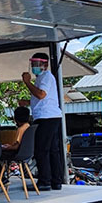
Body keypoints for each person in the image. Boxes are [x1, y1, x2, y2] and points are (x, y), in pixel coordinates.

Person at [22, 53, 64, 191]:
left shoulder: (45, 77)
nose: (35, 67)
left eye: (38, 64)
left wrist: (27, 82)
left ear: (45, 65)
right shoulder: (43, 78)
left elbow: (41, 94)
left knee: (41, 149)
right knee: (52, 150)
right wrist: (28, 102)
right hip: (51, 116)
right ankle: (55, 181)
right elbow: (43, 99)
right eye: (33, 64)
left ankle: (45, 181)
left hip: (46, 117)